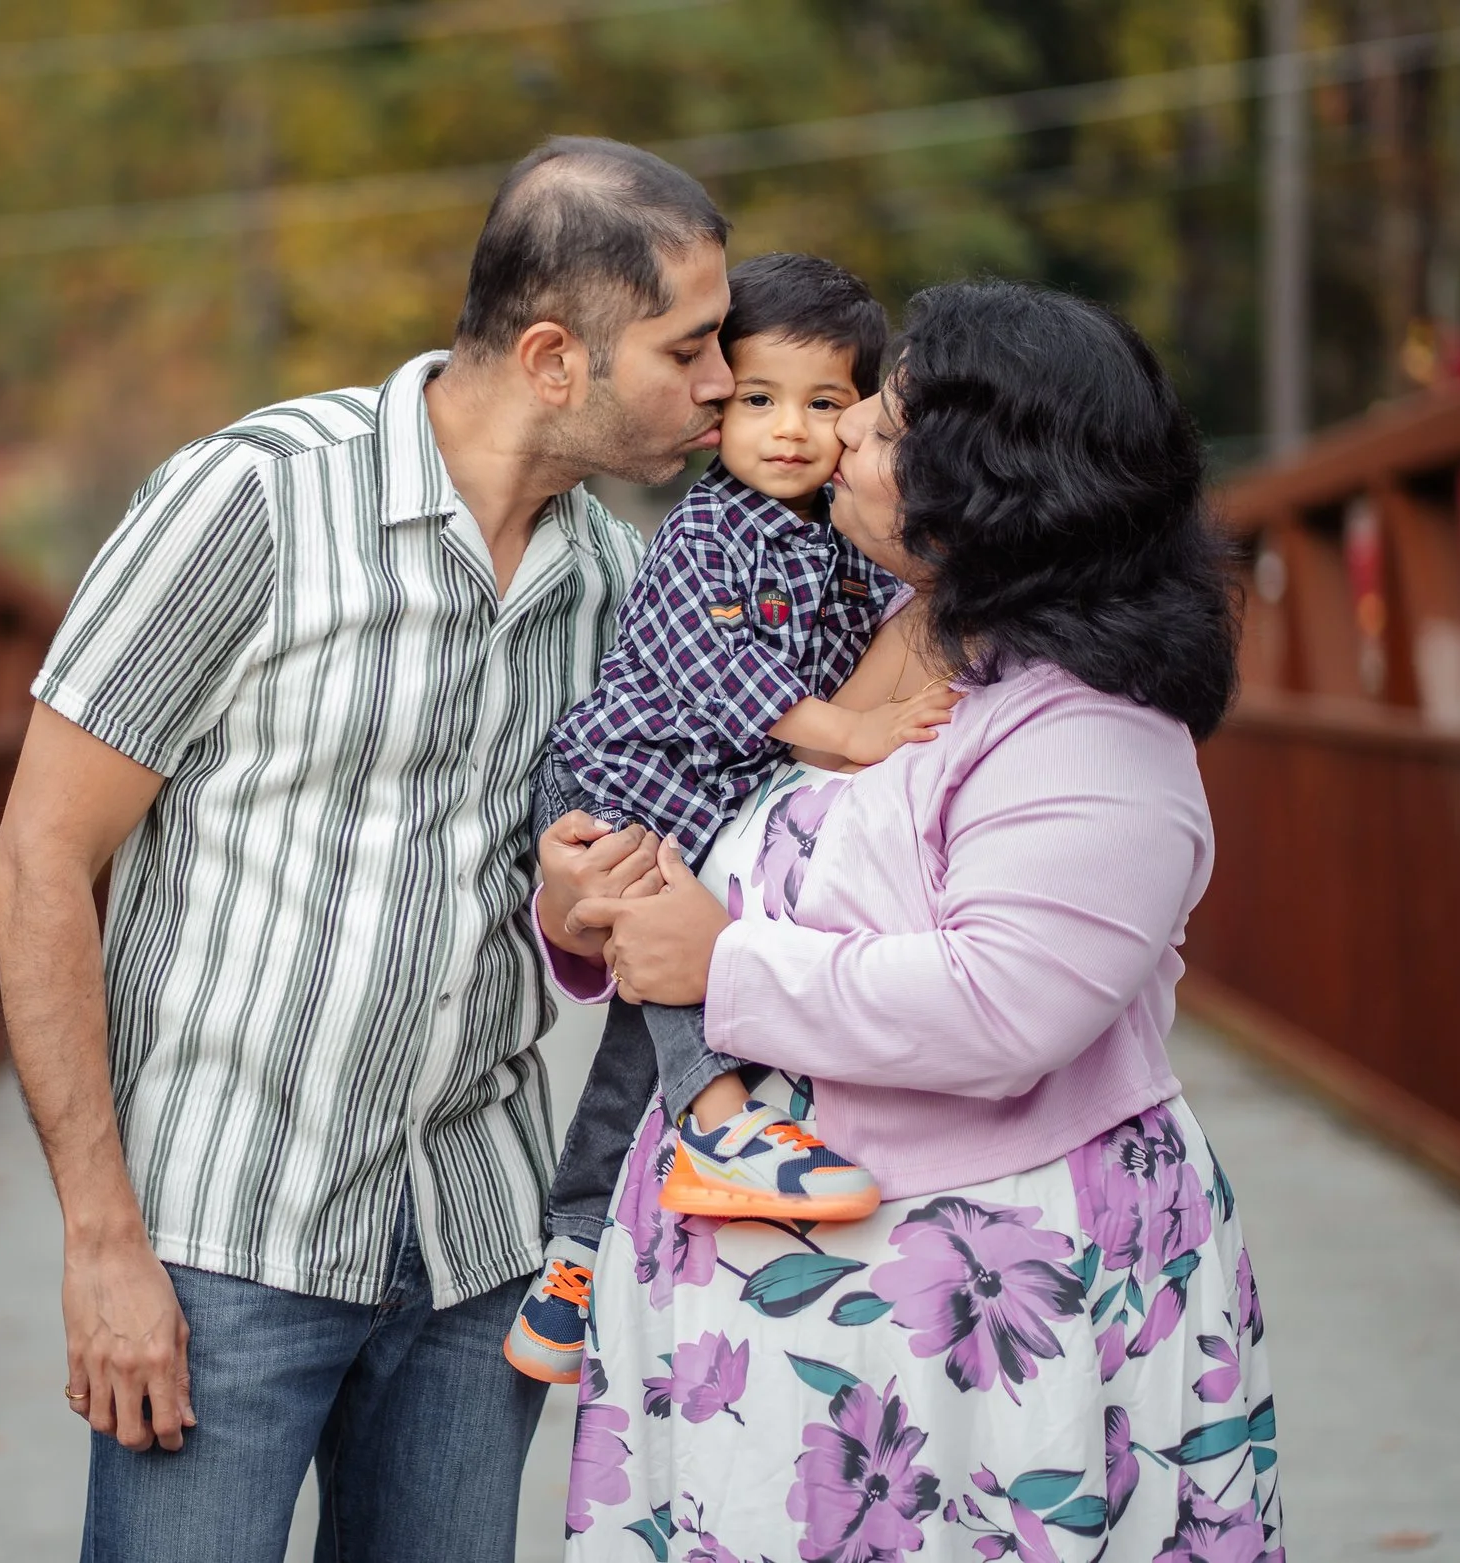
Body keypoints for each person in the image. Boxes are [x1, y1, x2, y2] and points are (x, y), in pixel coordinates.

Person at [0, 136, 734, 1563]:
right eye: (690, 348)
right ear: (554, 357)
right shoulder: (253, 501)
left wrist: (577, 908)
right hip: (223, 1240)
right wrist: (100, 1240)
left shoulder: (620, 582)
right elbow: (36, 861)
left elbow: (581, 911)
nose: (720, 383)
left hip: (475, 1246)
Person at [544, 281, 1280, 1561]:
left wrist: (727, 964)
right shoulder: (879, 625)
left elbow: (1009, 1008)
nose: (836, 441)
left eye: (878, 427)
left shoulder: (1090, 726)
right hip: (773, 1316)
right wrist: (587, 903)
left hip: (971, 1328)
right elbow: (745, 862)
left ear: (979, 487)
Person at [507, 253, 962, 1388]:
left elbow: (897, 627)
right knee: (680, 992)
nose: (790, 432)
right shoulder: (710, 531)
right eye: (758, 400)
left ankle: (567, 1267)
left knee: (632, 1046)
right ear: (716, 416)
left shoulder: (850, 552)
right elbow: (705, 663)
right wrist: (849, 734)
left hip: (698, 830)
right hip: (622, 794)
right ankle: (716, 1119)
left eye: (825, 406)